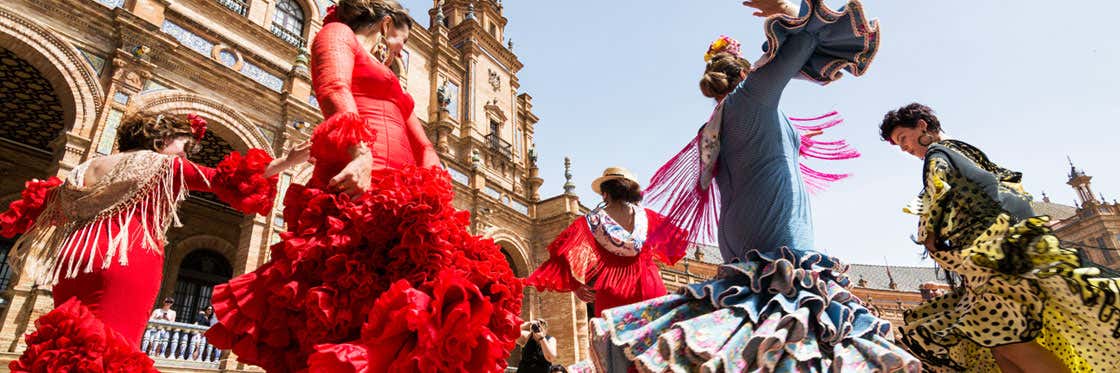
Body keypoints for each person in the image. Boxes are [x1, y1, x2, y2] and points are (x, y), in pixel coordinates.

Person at [588, 0, 922, 371]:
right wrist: (786, 9)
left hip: (743, 241)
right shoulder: (751, 98)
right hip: (777, 242)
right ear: (746, 72)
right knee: (788, 335)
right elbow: (805, 43)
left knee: (751, 337)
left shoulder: (714, 124)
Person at [203, 1, 523, 372]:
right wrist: (360, 152)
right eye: (400, 40)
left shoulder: (385, 72)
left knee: (411, 309)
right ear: (386, 25)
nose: (398, 50)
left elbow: (424, 143)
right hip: (361, 179)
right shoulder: (337, 35)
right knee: (352, 296)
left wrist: (437, 193)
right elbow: (333, 87)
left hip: (407, 196)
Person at [0, 109, 305, 372]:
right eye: (183, 146)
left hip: (73, 259)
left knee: (66, 345)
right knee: (113, 349)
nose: (185, 155)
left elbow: (41, 203)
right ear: (161, 142)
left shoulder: (86, 168)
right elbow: (227, 179)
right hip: (124, 258)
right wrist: (286, 161)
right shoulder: (162, 165)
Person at [880, 103, 1120, 372]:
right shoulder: (963, 149)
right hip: (995, 256)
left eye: (903, 139)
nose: (903, 148)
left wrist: (929, 234)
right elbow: (1004, 186)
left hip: (992, 259)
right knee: (995, 341)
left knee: (1004, 338)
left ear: (922, 126)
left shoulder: (937, 155)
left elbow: (941, 189)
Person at [527, 167, 687, 317]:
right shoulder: (647, 217)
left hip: (612, 299)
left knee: (614, 346)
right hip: (651, 289)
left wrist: (576, 285)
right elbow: (676, 242)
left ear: (605, 194)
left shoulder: (590, 222)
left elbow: (560, 253)